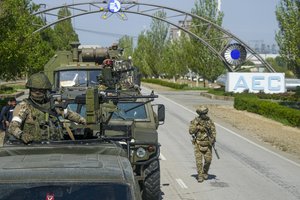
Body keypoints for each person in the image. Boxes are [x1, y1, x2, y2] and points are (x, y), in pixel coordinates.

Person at [7, 72, 86, 144]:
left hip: (56, 146)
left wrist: (84, 121)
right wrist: (22, 135)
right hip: (33, 148)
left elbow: (68, 114)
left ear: (45, 91)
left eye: (41, 90)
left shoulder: (51, 105)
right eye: (34, 90)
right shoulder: (23, 107)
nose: (37, 92)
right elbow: (12, 127)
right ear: (30, 90)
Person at [189, 105, 216, 183]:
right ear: (200, 114)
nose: (205, 115)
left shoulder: (209, 121)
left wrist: (213, 139)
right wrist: (197, 128)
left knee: (208, 161)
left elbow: (213, 131)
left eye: (205, 113)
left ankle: (205, 172)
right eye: (203, 113)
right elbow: (191, 131)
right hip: (198, 143)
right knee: (199, 161)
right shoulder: (195, 121)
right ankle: (200, 176)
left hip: (208, 143)